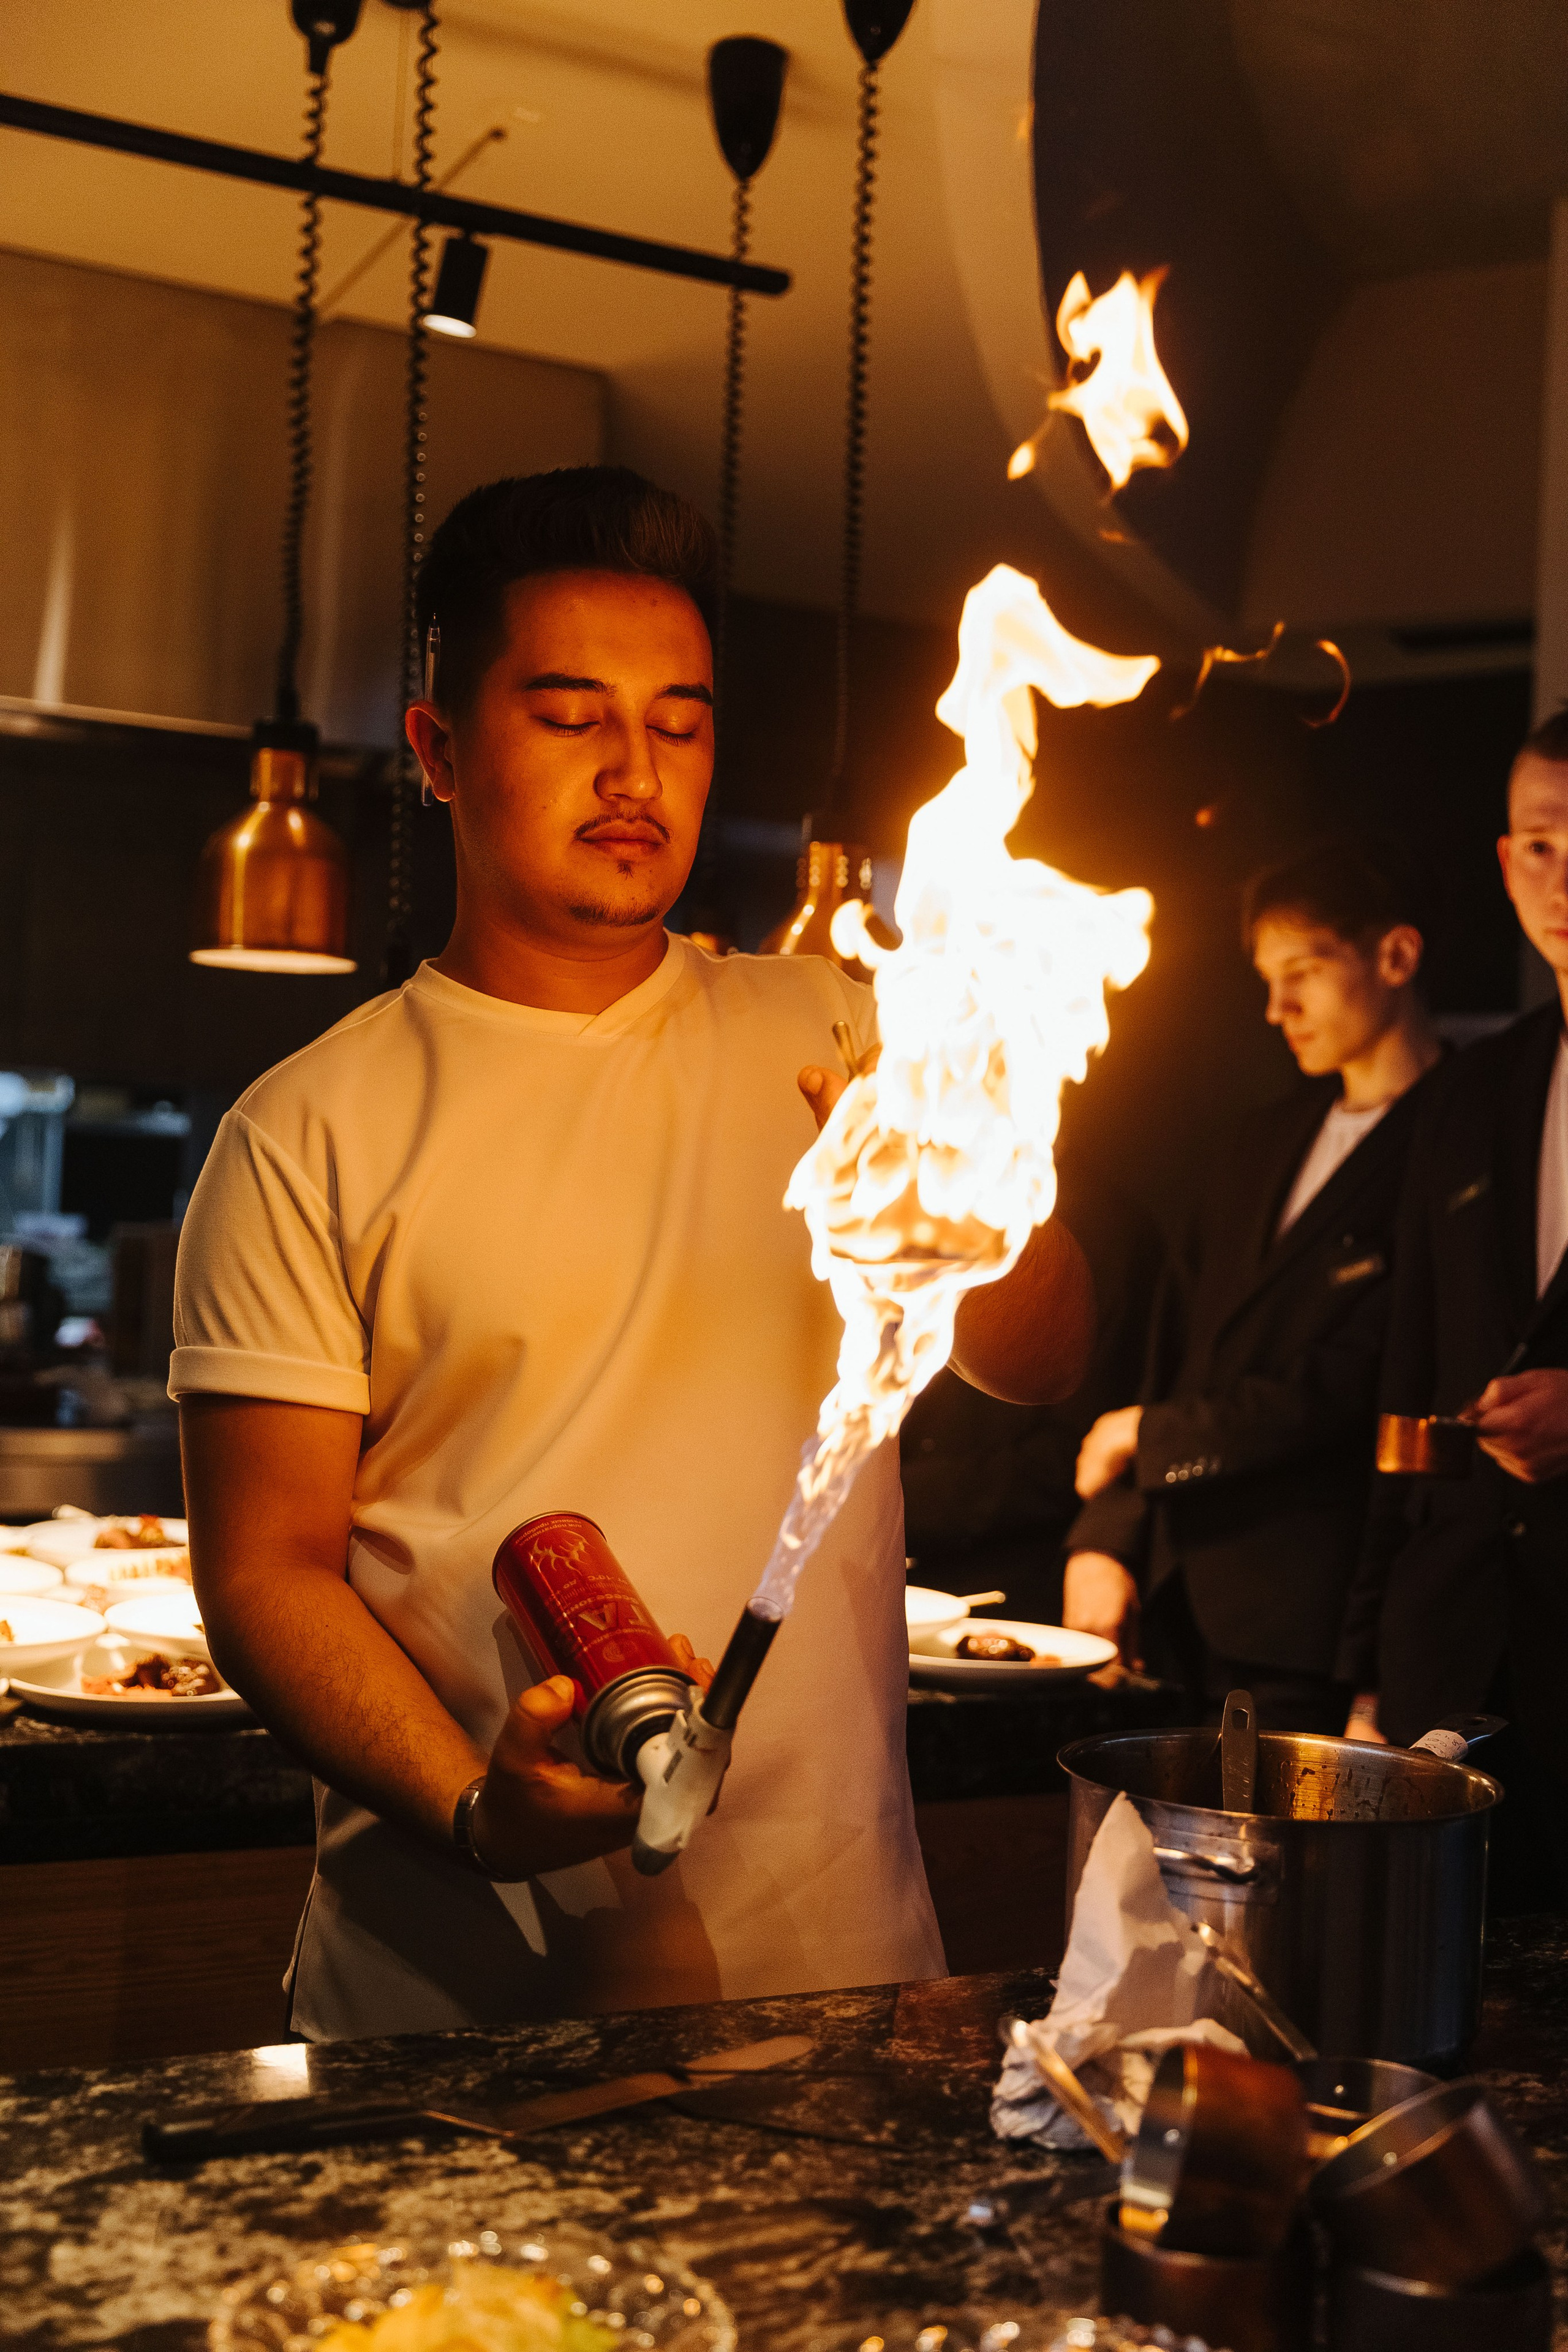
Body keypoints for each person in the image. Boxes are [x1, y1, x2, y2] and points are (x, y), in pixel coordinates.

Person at [170, 466, 1095, 2038]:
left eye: (678, 722)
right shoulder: (306, 1127)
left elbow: (1044, 1358)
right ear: (439, 750)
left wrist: (970, 1222)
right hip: (448, 1998)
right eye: (568, 715)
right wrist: (477, 1807)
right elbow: (266, 1571)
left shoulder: (846, 1036)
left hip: (832, 1971)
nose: (633, 770)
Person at [1063, 839, 1442, 1732]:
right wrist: (1107, 1540)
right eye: (1269, 980)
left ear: (1395, 956)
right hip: (1177, 1604)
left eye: (1303, 973)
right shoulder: (1260, 1144)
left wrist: (1151, 1437)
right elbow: (1177, 1354)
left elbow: (1358, 1383)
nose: (1279, 1008)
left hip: (1315, 1622)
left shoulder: (1453, 1143)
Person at [1336, 711, 1568, 1908]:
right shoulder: (1474, 1089)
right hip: (1456, 1655)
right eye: (1540, 844)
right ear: (1505, 861)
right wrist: (1368, 1670)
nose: (1561, 879)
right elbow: (1409, 1384)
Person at [900, 1135, 1166, 1626]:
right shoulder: (920, 1198)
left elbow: (1071, 1456)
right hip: (896, 1570)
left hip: (1006, 1586)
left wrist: (897, 1499)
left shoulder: (1099, 1232)